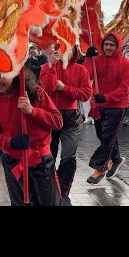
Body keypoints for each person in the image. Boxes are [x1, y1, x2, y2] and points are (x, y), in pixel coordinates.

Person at [0, 67, 65, 206]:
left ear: (12, 73)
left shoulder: (34, 92)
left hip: (40, 161)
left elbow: (57, 121)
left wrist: (33, 111)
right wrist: (11, 142)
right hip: (12, 162)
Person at [39, 44, 92, 202]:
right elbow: (48, 87)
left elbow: (86, 94)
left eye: (66, 49)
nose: (61, 52)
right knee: (49, 156)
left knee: (68, 155)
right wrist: (51, 66)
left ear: (73, 51)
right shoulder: (45, 67)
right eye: (58, 48)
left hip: (71, 118)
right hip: (50, 116)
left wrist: (65, 88)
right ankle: (51, 188)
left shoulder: (80, 69)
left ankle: (63, 192)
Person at [83, 32, 129, 184]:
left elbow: (124, 89)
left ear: (118, 46)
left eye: (112, 45)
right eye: (106, 44)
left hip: (116, 106)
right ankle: (116, 159)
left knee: (108, 138)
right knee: (104, 136)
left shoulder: (127, 65)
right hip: (99, 105)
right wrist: (88, 58)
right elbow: (86, 75)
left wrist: (106, 97)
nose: (108, 47)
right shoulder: (97, 60)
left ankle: (100, 169)